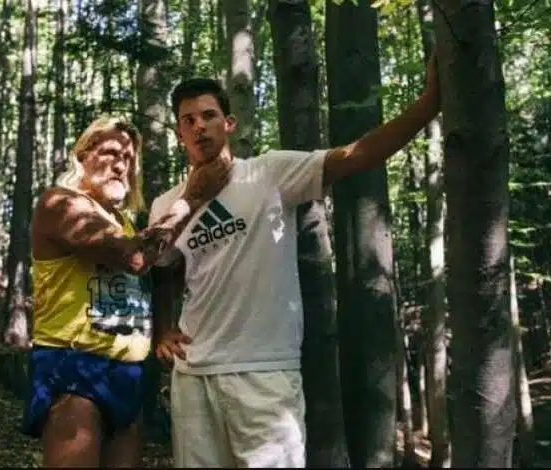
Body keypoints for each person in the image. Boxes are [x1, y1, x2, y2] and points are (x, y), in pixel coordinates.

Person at [148, 57, 440, 467]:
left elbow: (355, 156)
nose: (199, 126)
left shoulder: (268, 174)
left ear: (229, 124)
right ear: (179, 133)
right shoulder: (166, 204)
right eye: (188, 120)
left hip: (264, 371)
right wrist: (164, 327)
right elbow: (164, 269)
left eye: (209, 116)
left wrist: (428, 104)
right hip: (193, 374)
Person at [20, 115, 232, 467]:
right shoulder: (61, 204)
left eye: (129, 158)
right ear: (83, 156)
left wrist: (163, 328)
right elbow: (135, 258)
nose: (121, 165)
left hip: (128, 373)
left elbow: (161, 270)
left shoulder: (127, 224)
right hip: (74, 366)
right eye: (110, 153)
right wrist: (193, 196)